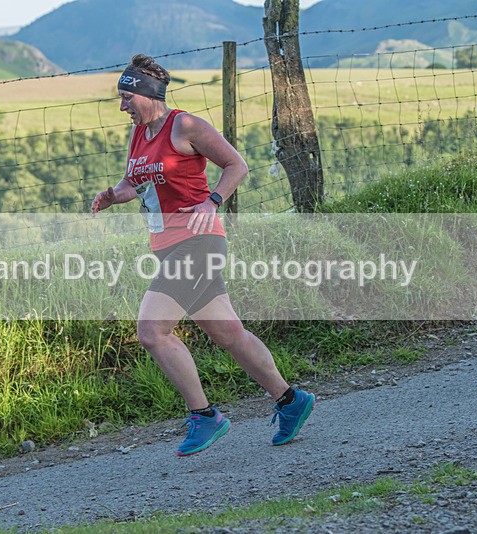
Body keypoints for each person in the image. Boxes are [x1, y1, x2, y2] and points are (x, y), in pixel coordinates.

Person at [91, 54, 314, 456]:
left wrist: (212, 201)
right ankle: (290, 400)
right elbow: (134, 181)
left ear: (146, 94)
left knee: (151, 331)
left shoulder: (186, 125)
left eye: (126, 97)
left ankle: (205, 415)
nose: (122, 106)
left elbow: (236, 165)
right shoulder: (139, 134)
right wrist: (113, 195)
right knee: (228, 334)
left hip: (199, 242)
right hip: (169, 247)